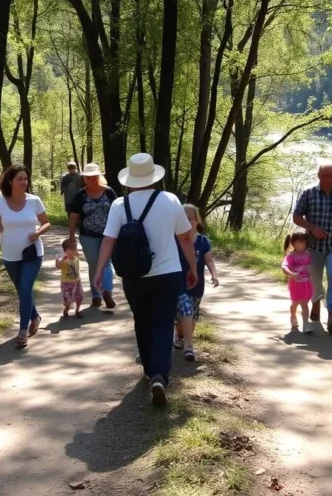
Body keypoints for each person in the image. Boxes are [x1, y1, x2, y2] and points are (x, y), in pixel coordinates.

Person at [93, 153, 198, 406]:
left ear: (130, 179)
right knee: (163, 322)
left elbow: (109, 240)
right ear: (154, 177)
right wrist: (193, 268)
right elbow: (185, 238)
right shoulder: (170, 200)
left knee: (142, 320)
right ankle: (160, 376)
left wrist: (99, 270)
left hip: (134, 275)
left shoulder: (120, 204)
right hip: (168, 273)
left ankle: (150, 370)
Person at [0, 164, 52, 348]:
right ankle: (35, 316)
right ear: (10, 181)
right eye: (19, 179)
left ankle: (23, 330)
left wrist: (38, 233)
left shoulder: (34, 201)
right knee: (22, 291)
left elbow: (46, 223)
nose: (24, 182)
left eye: (25, 178)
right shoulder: (0, 203)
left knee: (25, 288)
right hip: (10, 255)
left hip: (33, 253)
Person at [292, 161, 332, 332]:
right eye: (324, 175)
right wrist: (311, 228)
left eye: (330, 175)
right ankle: (316, 303)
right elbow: (296, 216)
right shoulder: (308, 194)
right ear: (318, 176)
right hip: (313, 247)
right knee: (315, 280)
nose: (327, 178)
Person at [173, 204, 219, 362]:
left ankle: (180, 335)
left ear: (196, 220)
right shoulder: (175, 239)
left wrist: (214, 274)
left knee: (190, 317)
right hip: (179, 284)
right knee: (186, 310)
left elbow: (209, 260)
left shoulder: (203, 241)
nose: (186, 221)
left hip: (197, 286)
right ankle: (188, 346)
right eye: (182, 218)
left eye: (189, 218)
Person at [67, 163, 117, 308]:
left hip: (108, 234)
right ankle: (96, 295)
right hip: (88, 235)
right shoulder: (80, 195)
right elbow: (74, 217)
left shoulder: (109, 192)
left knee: (106, 262)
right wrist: (71, 237)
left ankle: (106, 291)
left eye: (95, 177)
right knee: (94, 264)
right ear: (85, 179)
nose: (92, 180)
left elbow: (118, 211)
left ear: (99, 177)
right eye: (89, 178)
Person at [281, 232, 314, 332]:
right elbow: (284, 266)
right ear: (293, 243)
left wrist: (312, 274)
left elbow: (311, 266)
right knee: (295, 303)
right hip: (295, 284)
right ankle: (293, 316)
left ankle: (306, 324)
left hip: (306, 283)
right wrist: (291, 274)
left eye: (304, 243)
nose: (302, 245)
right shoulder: (291, 256)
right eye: (299, 242)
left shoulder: (308, 255)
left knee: (305, 304)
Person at [56, 238, 84, 318]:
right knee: (67, 299)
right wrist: (59, 258)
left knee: (80, 296)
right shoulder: (64, 260)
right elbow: (57, 266)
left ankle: (77, 310)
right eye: (71, 249)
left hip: (77, 282)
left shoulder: (76, 259)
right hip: (66, 282)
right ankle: (66, 308)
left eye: (74, 249)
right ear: (65, 250)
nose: (73, 251)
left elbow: (78, 254)